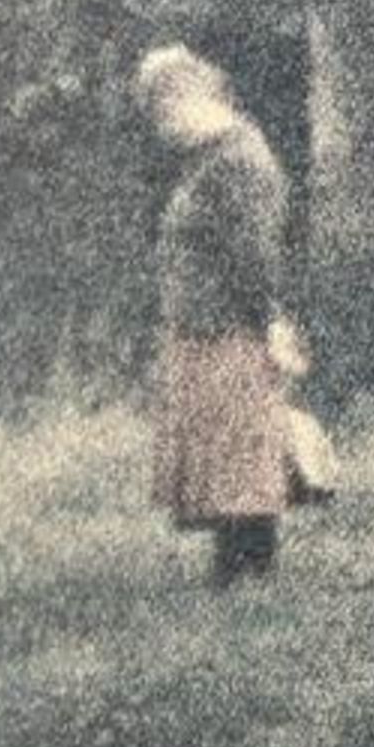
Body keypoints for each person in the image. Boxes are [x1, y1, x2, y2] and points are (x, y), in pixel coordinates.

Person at [132, 43, 305, 588]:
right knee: (223, 454)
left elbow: (254, 254)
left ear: (196, 96)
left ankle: (246, 574)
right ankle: (238, 572)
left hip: (233, 328)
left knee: (241, 459)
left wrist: (269, 322)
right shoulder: (213, 158)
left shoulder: (241, 160)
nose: (163, 129)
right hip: (206, 327)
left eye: (165, 113)